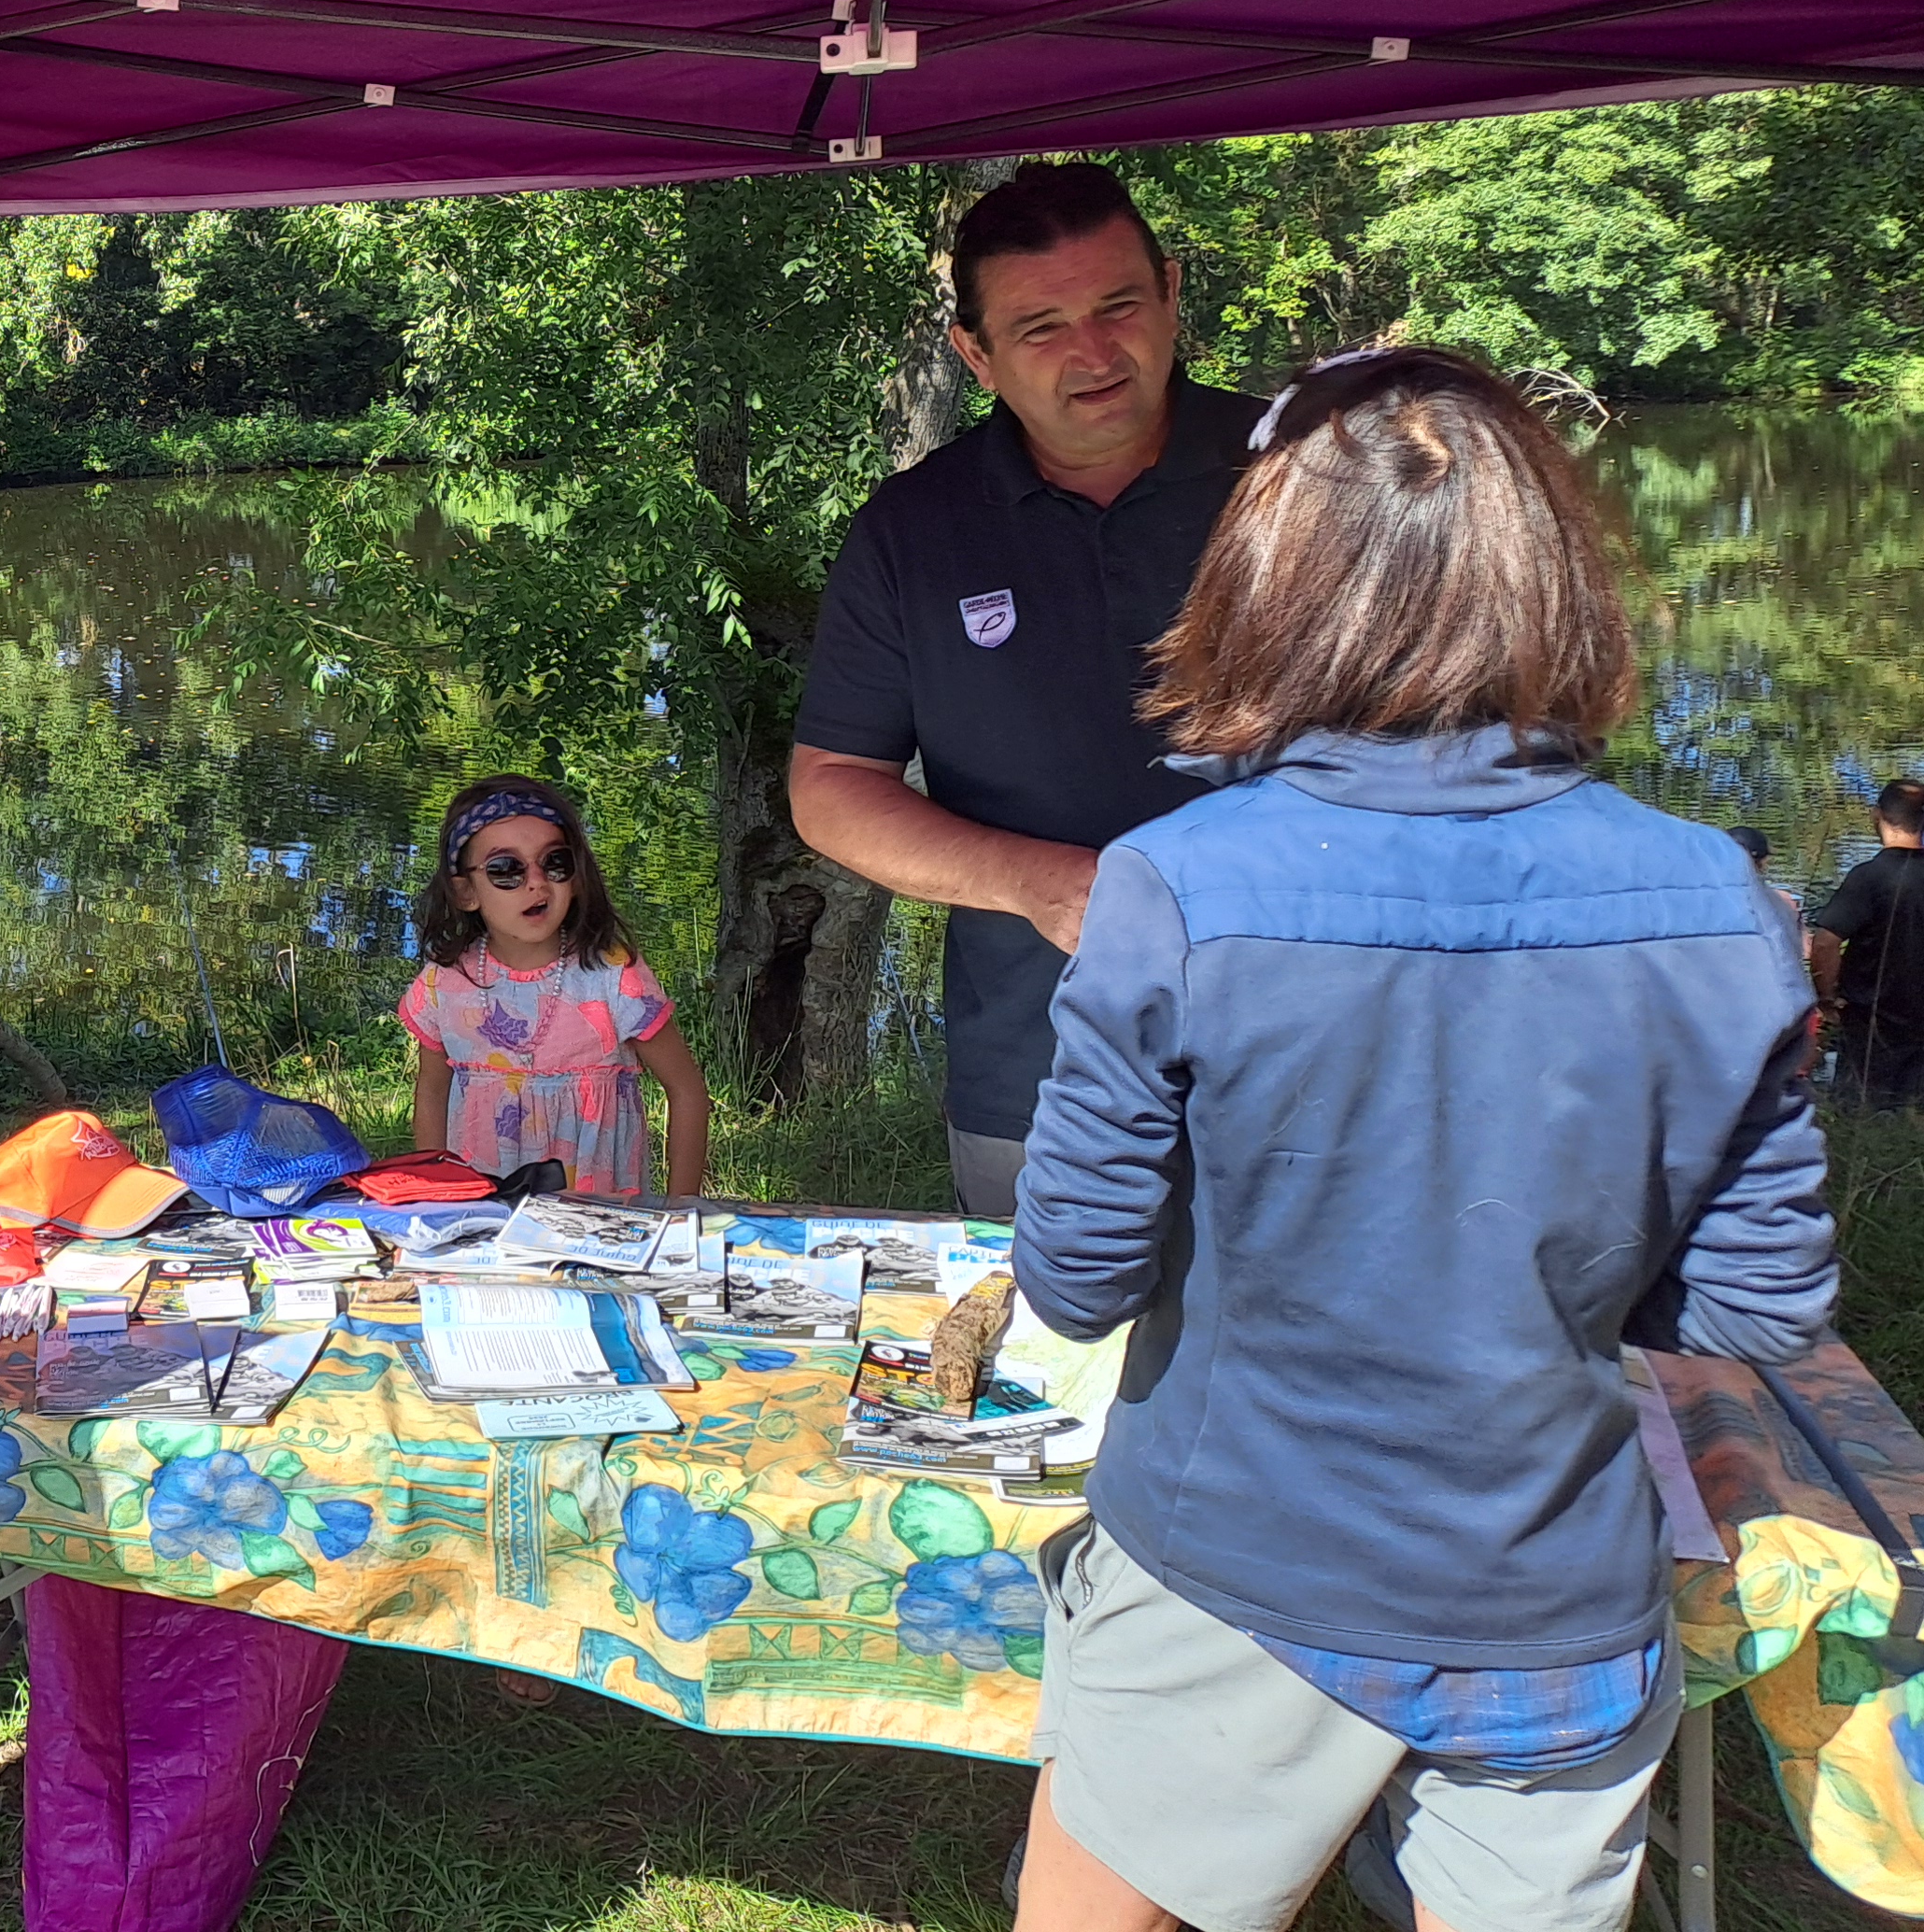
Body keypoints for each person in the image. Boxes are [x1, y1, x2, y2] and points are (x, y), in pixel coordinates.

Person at [1010, 349, 1837, 1932]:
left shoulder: (1181, 883)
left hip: (1233, 1564)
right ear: (1560, 576)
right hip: (1554, 1582)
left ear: (1269, 575)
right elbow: (1758, 1310)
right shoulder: (1724, 900)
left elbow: (1077, 1273)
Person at [789, 162, 1265, 1218]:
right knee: (1058, 1374)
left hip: (1324, 1057)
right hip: (1038, 1074)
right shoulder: (914, 526)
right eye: (1041, 326)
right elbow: (830, 785)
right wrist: (1037, 883)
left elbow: (1452, 739)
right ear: (976, 352)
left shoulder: (1309, 474)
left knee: (1329, 1371)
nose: (1093, 354)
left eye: (1118, 306)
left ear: (1171, 293)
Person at [402, 772, 710, 1197]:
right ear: (465, 892)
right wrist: (434, 1198)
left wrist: (681, 1209)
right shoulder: (445, 983)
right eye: (505, 869)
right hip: (482, 1214)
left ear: (577, 877)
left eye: (555, 862)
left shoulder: (615, 977)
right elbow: (433, 1094)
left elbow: (686, 1089)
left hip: (600, 1221)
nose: (536, 882)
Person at [1805, 778, 1924, 1107]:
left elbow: (1826, 943)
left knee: (1862, 1107)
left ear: (1877, 816)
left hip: (1871, 1023)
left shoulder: (1869, 876)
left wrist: (1827, 999)